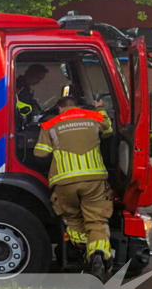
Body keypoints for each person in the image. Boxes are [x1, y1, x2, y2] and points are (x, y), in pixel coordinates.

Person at [33, 96, 115, 279]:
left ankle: (82, 250)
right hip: (94, 180)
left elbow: (40, 153)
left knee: (73, 220)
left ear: (60, 108)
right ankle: (98, 256)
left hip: (64, 182)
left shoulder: (49, 125)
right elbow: (109, 130)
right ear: (75, 106)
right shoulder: (94, 117)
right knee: (96, 221)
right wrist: (100, 108)